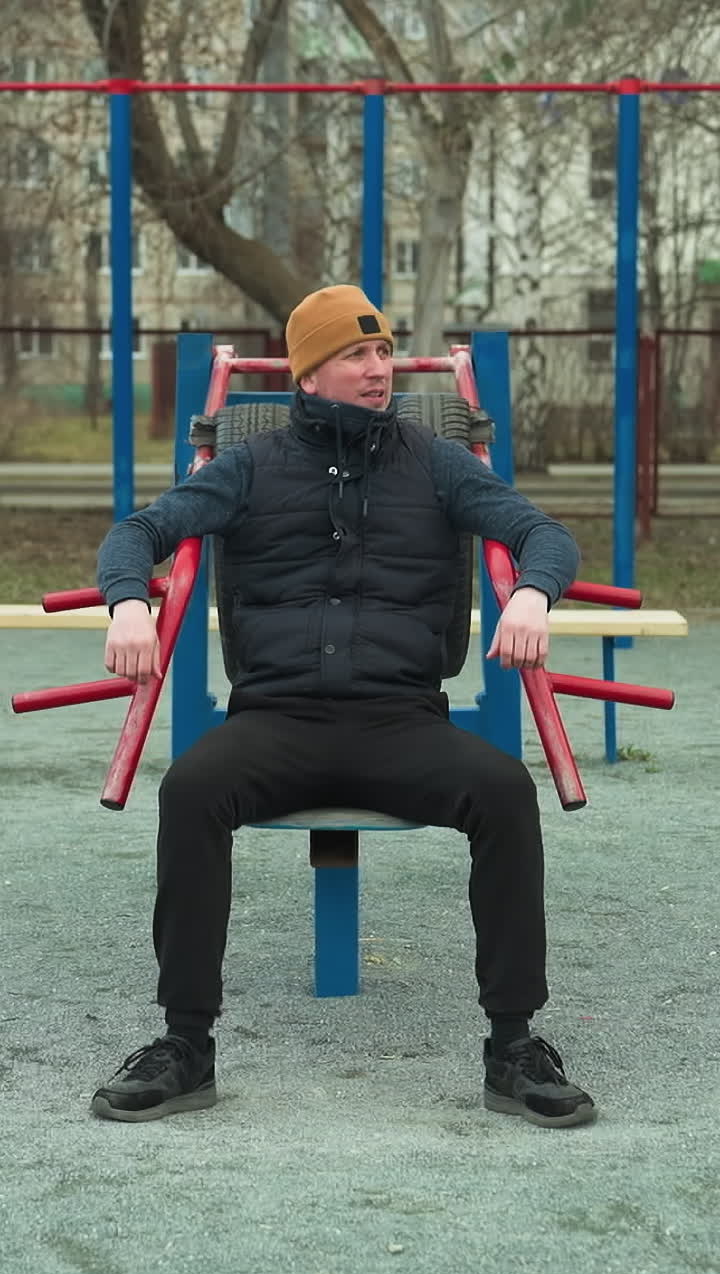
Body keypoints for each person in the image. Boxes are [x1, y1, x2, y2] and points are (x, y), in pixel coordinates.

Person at [91, 284, 596, 1129]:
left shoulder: (436, 460)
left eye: (384, 352)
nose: (377, 370)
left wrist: (535, 596)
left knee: (505, 792)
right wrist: (127, 603)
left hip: (399, 721)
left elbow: (545, 534)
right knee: (189, 790)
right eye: (354, 356)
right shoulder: (246, 467)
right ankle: (186, 1043)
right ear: (309, 373)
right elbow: (136, 533)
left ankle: (514, 1044)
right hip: (275, 721)